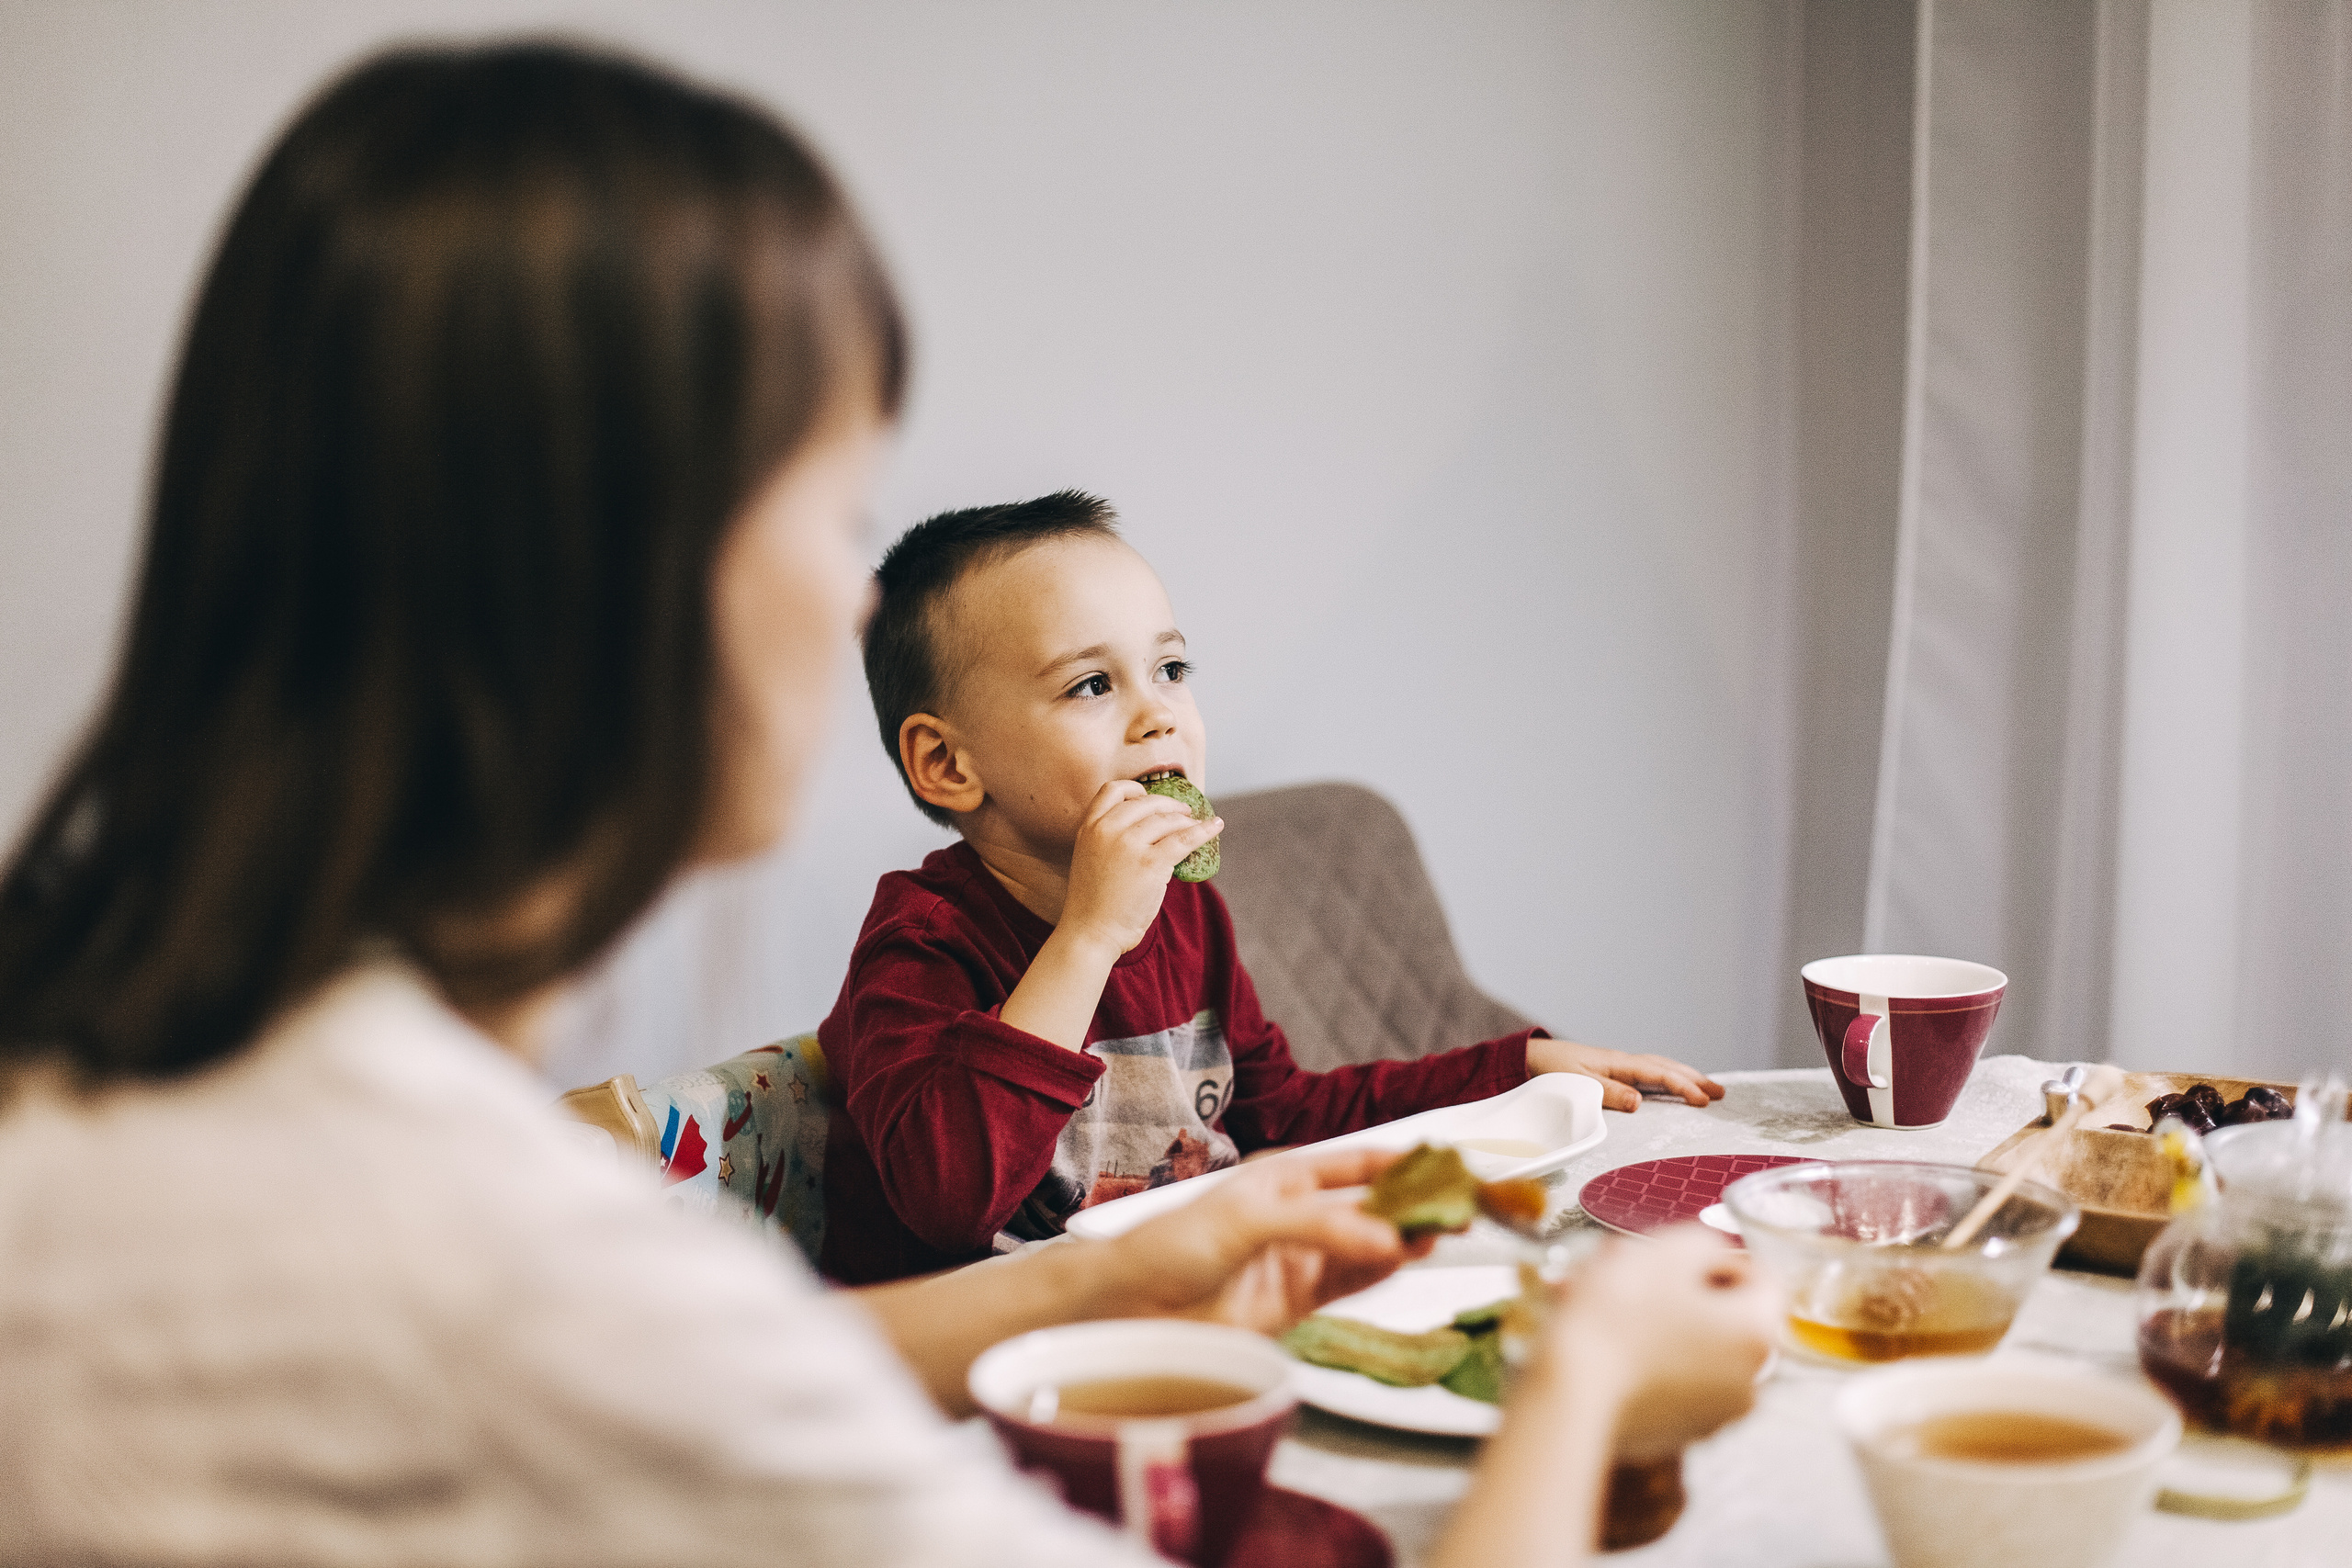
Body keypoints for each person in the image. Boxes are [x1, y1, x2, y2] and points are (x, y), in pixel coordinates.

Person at [0, 39, 1775, 1568]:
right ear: (630, 573)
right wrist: (1591, 1376)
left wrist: (1119, 1275)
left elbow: (695, 1376)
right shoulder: (487, 1258)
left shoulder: (141, 1067)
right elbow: (692, 1338)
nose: (856, 600)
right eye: (839, 511)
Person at [820, 493, 1726, 1283]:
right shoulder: (923, 937)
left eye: (1170, 670)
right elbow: (944, 1201)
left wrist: (1511, 1067)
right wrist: (1088, 940)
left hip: (1179, 1291)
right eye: (1092, 684)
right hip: (987, 1354)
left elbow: (1283, 1115)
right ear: (946, 763)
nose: (1158, 713)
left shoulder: (1187, 912)